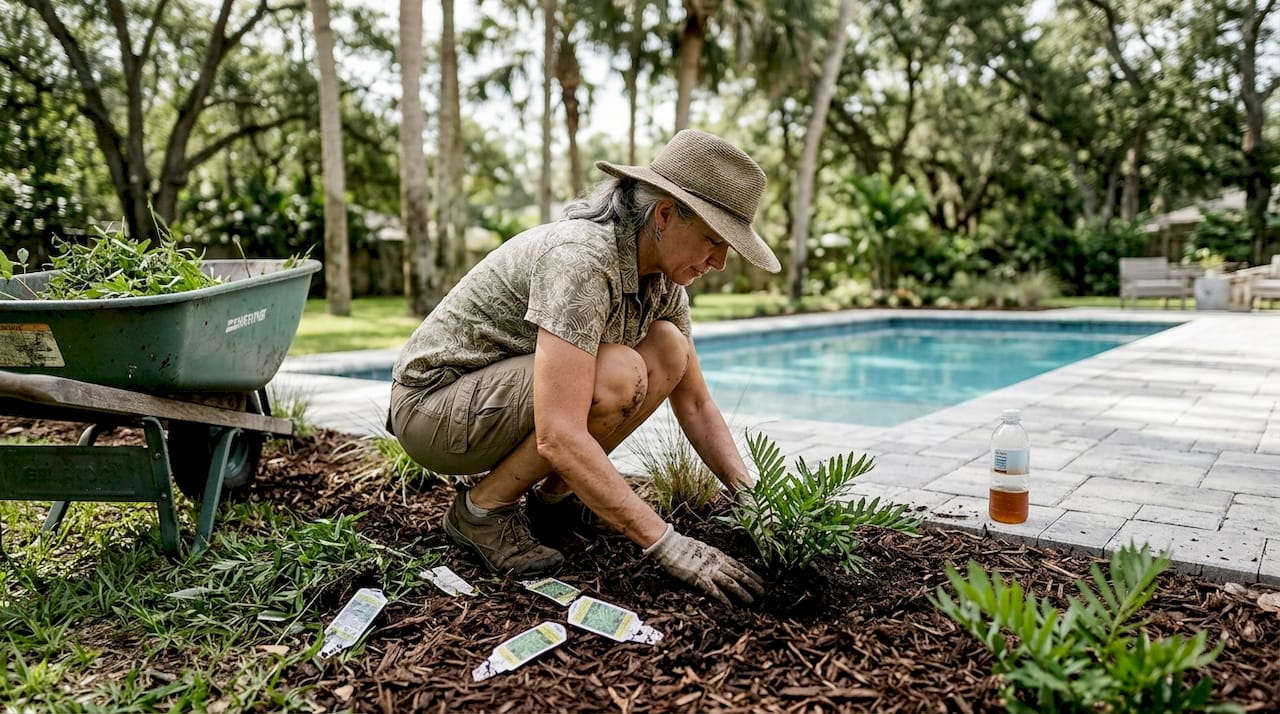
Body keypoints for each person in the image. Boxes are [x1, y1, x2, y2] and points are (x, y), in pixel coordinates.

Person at [389, 129, 780, 607]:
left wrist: (751, 499)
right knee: (617, 373)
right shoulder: (581, 259)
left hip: (488, 405)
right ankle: (481, 510)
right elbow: (558, 431)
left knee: (669, 349)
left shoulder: (663, 283)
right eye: (714, 241)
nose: (719, 262)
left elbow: (695, 403)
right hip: (434, 409)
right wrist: (667, 544)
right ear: (663, 215)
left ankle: (556, 502)